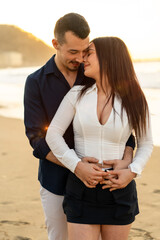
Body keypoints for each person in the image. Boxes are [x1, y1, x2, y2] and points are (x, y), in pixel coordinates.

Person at [24, 13, 135, 240]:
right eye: (73, 52)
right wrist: (75, 165)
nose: (80, 58)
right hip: (55, 179)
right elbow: (37, 140)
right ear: (55, 44)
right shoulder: (36, 82)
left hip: (99, 183)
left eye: (84, 51)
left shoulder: (94, 76)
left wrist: (127, 159)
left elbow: (124, 127)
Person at [46, 36, 153, 240]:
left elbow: (146, 142)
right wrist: (76, 165)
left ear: (108, 57)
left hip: (119, 189)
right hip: (81, 187)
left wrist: (132, 171)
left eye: (89, 53)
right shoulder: (76, 95)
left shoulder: (135, 99)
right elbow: (53, 134)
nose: (83, 59)